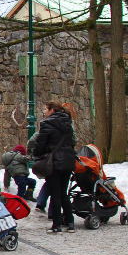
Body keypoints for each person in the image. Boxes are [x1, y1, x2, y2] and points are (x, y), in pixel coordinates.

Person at [33, 100, 77, 234]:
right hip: (68, 161)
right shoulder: (68, 123)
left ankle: (56, 225)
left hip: (54, 162)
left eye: (46, 109)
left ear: (52, 110)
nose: (44, 112)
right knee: (64, 194)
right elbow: (72, 142)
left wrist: (38, 154)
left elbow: (40, 145)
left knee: (55, 194)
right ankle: (70, 223)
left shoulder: (46, 124)